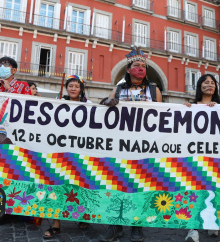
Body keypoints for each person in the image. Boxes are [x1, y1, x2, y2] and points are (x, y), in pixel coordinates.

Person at [101, 46, 162, 242]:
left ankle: (137, 226)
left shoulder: (154, 90)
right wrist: (106, 102)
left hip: (145, 147)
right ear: (128, 69)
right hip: (120, 146)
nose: (141, 68)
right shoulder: (119, 89)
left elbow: (164, 117)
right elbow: (105, 105)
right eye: (137, 65)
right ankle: (115, 225)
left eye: (144, 66)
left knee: (141, 186)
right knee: (117, 184)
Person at [43, 75, 91, 239]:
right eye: (70, 85)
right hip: (60, 153)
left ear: (81, 89)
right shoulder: (58, 103)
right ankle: (56, 224)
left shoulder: (89, 105)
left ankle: (82, 217)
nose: (73, 89)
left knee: (81, 186)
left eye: (76, 86)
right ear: (66, 88)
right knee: (58, 186)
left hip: (81, 154)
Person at [184, 74, 220, 242]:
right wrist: (184, 110)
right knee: (194, 191)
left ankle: (211, 222)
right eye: (206, 82)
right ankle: (193, 229)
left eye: (212, 82)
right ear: (200, 87)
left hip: (215, 156)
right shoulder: (190, 106)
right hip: (194, 156)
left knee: (212, 191)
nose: (209, 85)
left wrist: (218, 109)